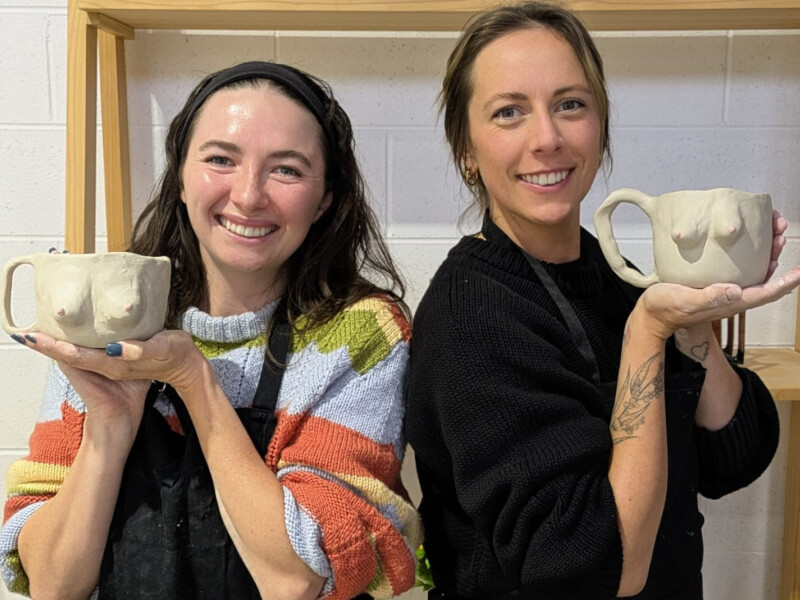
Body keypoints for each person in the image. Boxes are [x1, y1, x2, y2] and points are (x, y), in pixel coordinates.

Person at [404, 3, 800, 599]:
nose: (547, 138)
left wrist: (696, 323)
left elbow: (735, 456)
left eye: (570, 104)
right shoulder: (470, 315)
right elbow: (596, 567)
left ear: (601, 125)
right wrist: (648, 332)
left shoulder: (610, 275)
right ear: (466, 148)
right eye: (509, 112)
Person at [1, 61, 421, 600]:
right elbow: (53, 585)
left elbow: (297, 579)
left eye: (286, 169)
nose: (248, 196)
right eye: (221, 159)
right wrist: (109, 422)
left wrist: (193, 379)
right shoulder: (111, 313)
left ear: (325, 198)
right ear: (179, 177)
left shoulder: (358, 335)